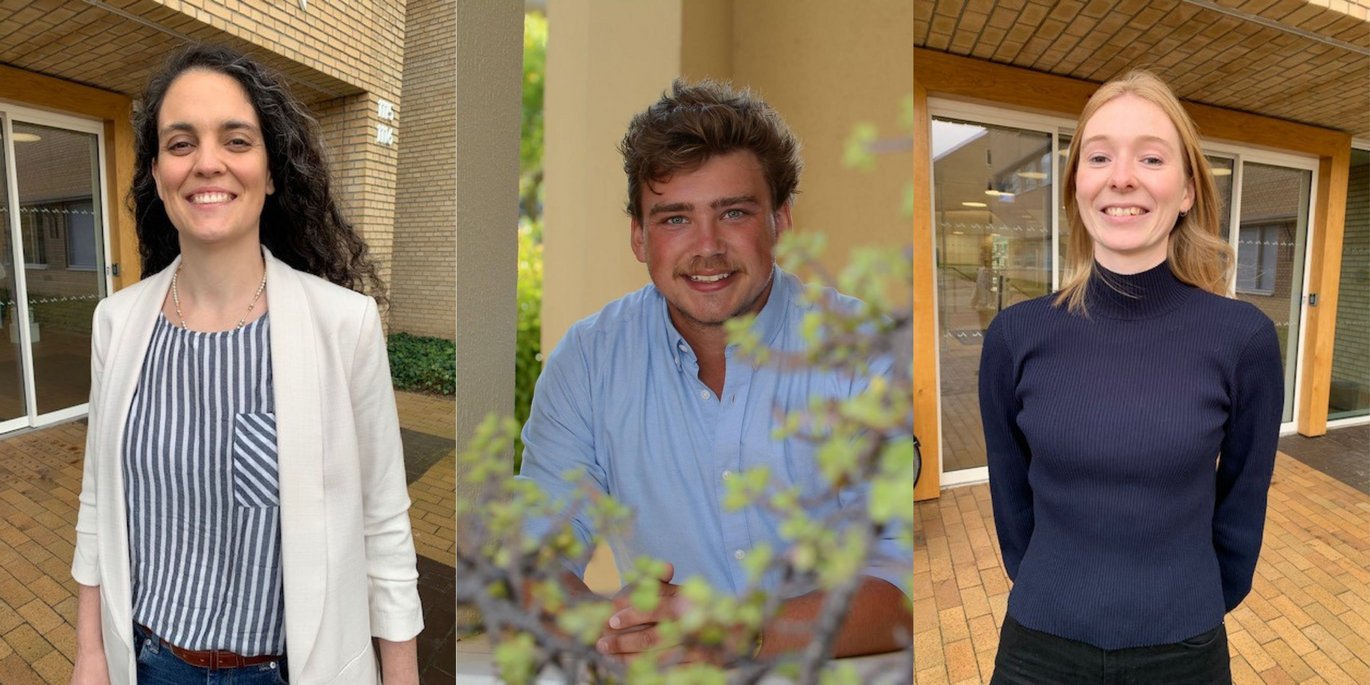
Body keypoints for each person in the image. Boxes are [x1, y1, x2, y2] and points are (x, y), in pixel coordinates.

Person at [517, 79, 911, 663]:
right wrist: (617, 626)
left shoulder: (865, 354)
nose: (707, 247)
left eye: (733, 213)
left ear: (780, 221)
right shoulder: (588, 363)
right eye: (675, 218)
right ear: (638, 236)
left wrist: (744, 632)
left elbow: (906, 578)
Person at [69, 45, 422, 685]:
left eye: (236, 140)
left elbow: (385, 529)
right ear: (156, 171)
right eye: (181, 144)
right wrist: (90, 655)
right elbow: (98, 506)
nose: (208, 163)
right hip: (149, 664)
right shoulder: (115, 324)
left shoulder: (344, 325)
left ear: (271, 169)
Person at [978, 70, 1283, 684]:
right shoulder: (1015, 337)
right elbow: (1013, 507)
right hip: (1040, 646)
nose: (1122, 177)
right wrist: (1049, 582)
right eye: (1099, 156)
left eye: (1150, 156)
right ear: (1077, 186)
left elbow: (1244, 501)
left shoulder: (1242, 338)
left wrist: (1192, 601)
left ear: (1188, 189)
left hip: (1182, 647)